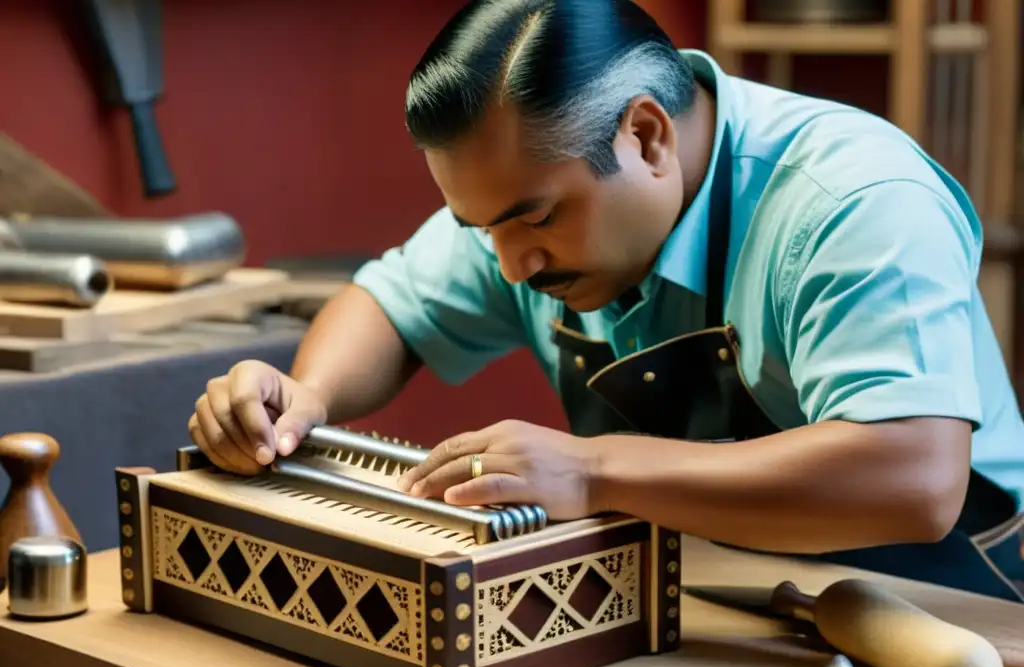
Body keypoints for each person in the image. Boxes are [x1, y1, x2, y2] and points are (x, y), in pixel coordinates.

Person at [189, 0, 1024, 601]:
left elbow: (914, 478)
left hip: (955, 600)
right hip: (721, 587)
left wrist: (590, 470)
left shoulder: (853, 198)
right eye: (480, 230)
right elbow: (389, 305)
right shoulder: (520, 206)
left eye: (536, 219)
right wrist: (308, 396)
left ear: (647, 136)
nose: (511, 267)